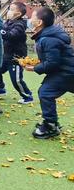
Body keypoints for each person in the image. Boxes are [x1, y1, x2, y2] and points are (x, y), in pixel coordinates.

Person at [25, 7, 74, 139]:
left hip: (66, 72)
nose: (30, 20)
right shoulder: (47, 36)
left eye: (32, 18)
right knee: (45, 91)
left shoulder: (48, 39)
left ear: (39, 22)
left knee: (45, 92)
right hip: (63, 71)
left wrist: (35, 68)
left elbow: (53, 63)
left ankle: (51, 125)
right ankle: (51, 123)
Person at [0, 1, 33, 104]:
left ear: (19, 14)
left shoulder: (20, 25)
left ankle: (27, 95)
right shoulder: (7, 22)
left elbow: (12, 35)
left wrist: (0, 31)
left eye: (12, 10)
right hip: (6, 55)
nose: (9, 12)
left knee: (16, 80)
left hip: (16, 58)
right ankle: (1, 89)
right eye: (9, 9)